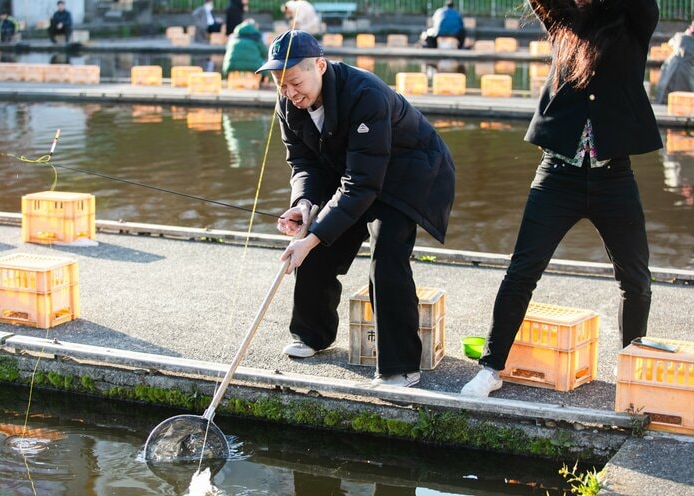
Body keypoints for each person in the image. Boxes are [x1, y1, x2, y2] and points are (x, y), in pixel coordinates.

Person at [461, 0, 663, 397]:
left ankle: (629, 371)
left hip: (613, 176)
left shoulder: (634, 20)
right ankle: (491, 367)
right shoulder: (562, 20)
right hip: (557, 175)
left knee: (636, 280)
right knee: (521, 272)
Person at [256, 31, 456, 387]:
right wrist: (303, 206)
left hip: (407, 172)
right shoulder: (289, 104)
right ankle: (312, 335)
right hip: (353, 170)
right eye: (281, 85)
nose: (289, 92)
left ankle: (400, 367)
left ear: (320, 65)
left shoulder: (365, 94)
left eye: (295, 82)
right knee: (314, 241)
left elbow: (362, 185)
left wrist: (314, 235)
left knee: (387, 256)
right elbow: (303, 164)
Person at [655, 15, 694, 104]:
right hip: (687, 81)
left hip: (668, 73)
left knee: (664, 99)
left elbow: (669, 44)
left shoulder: (679, 37)